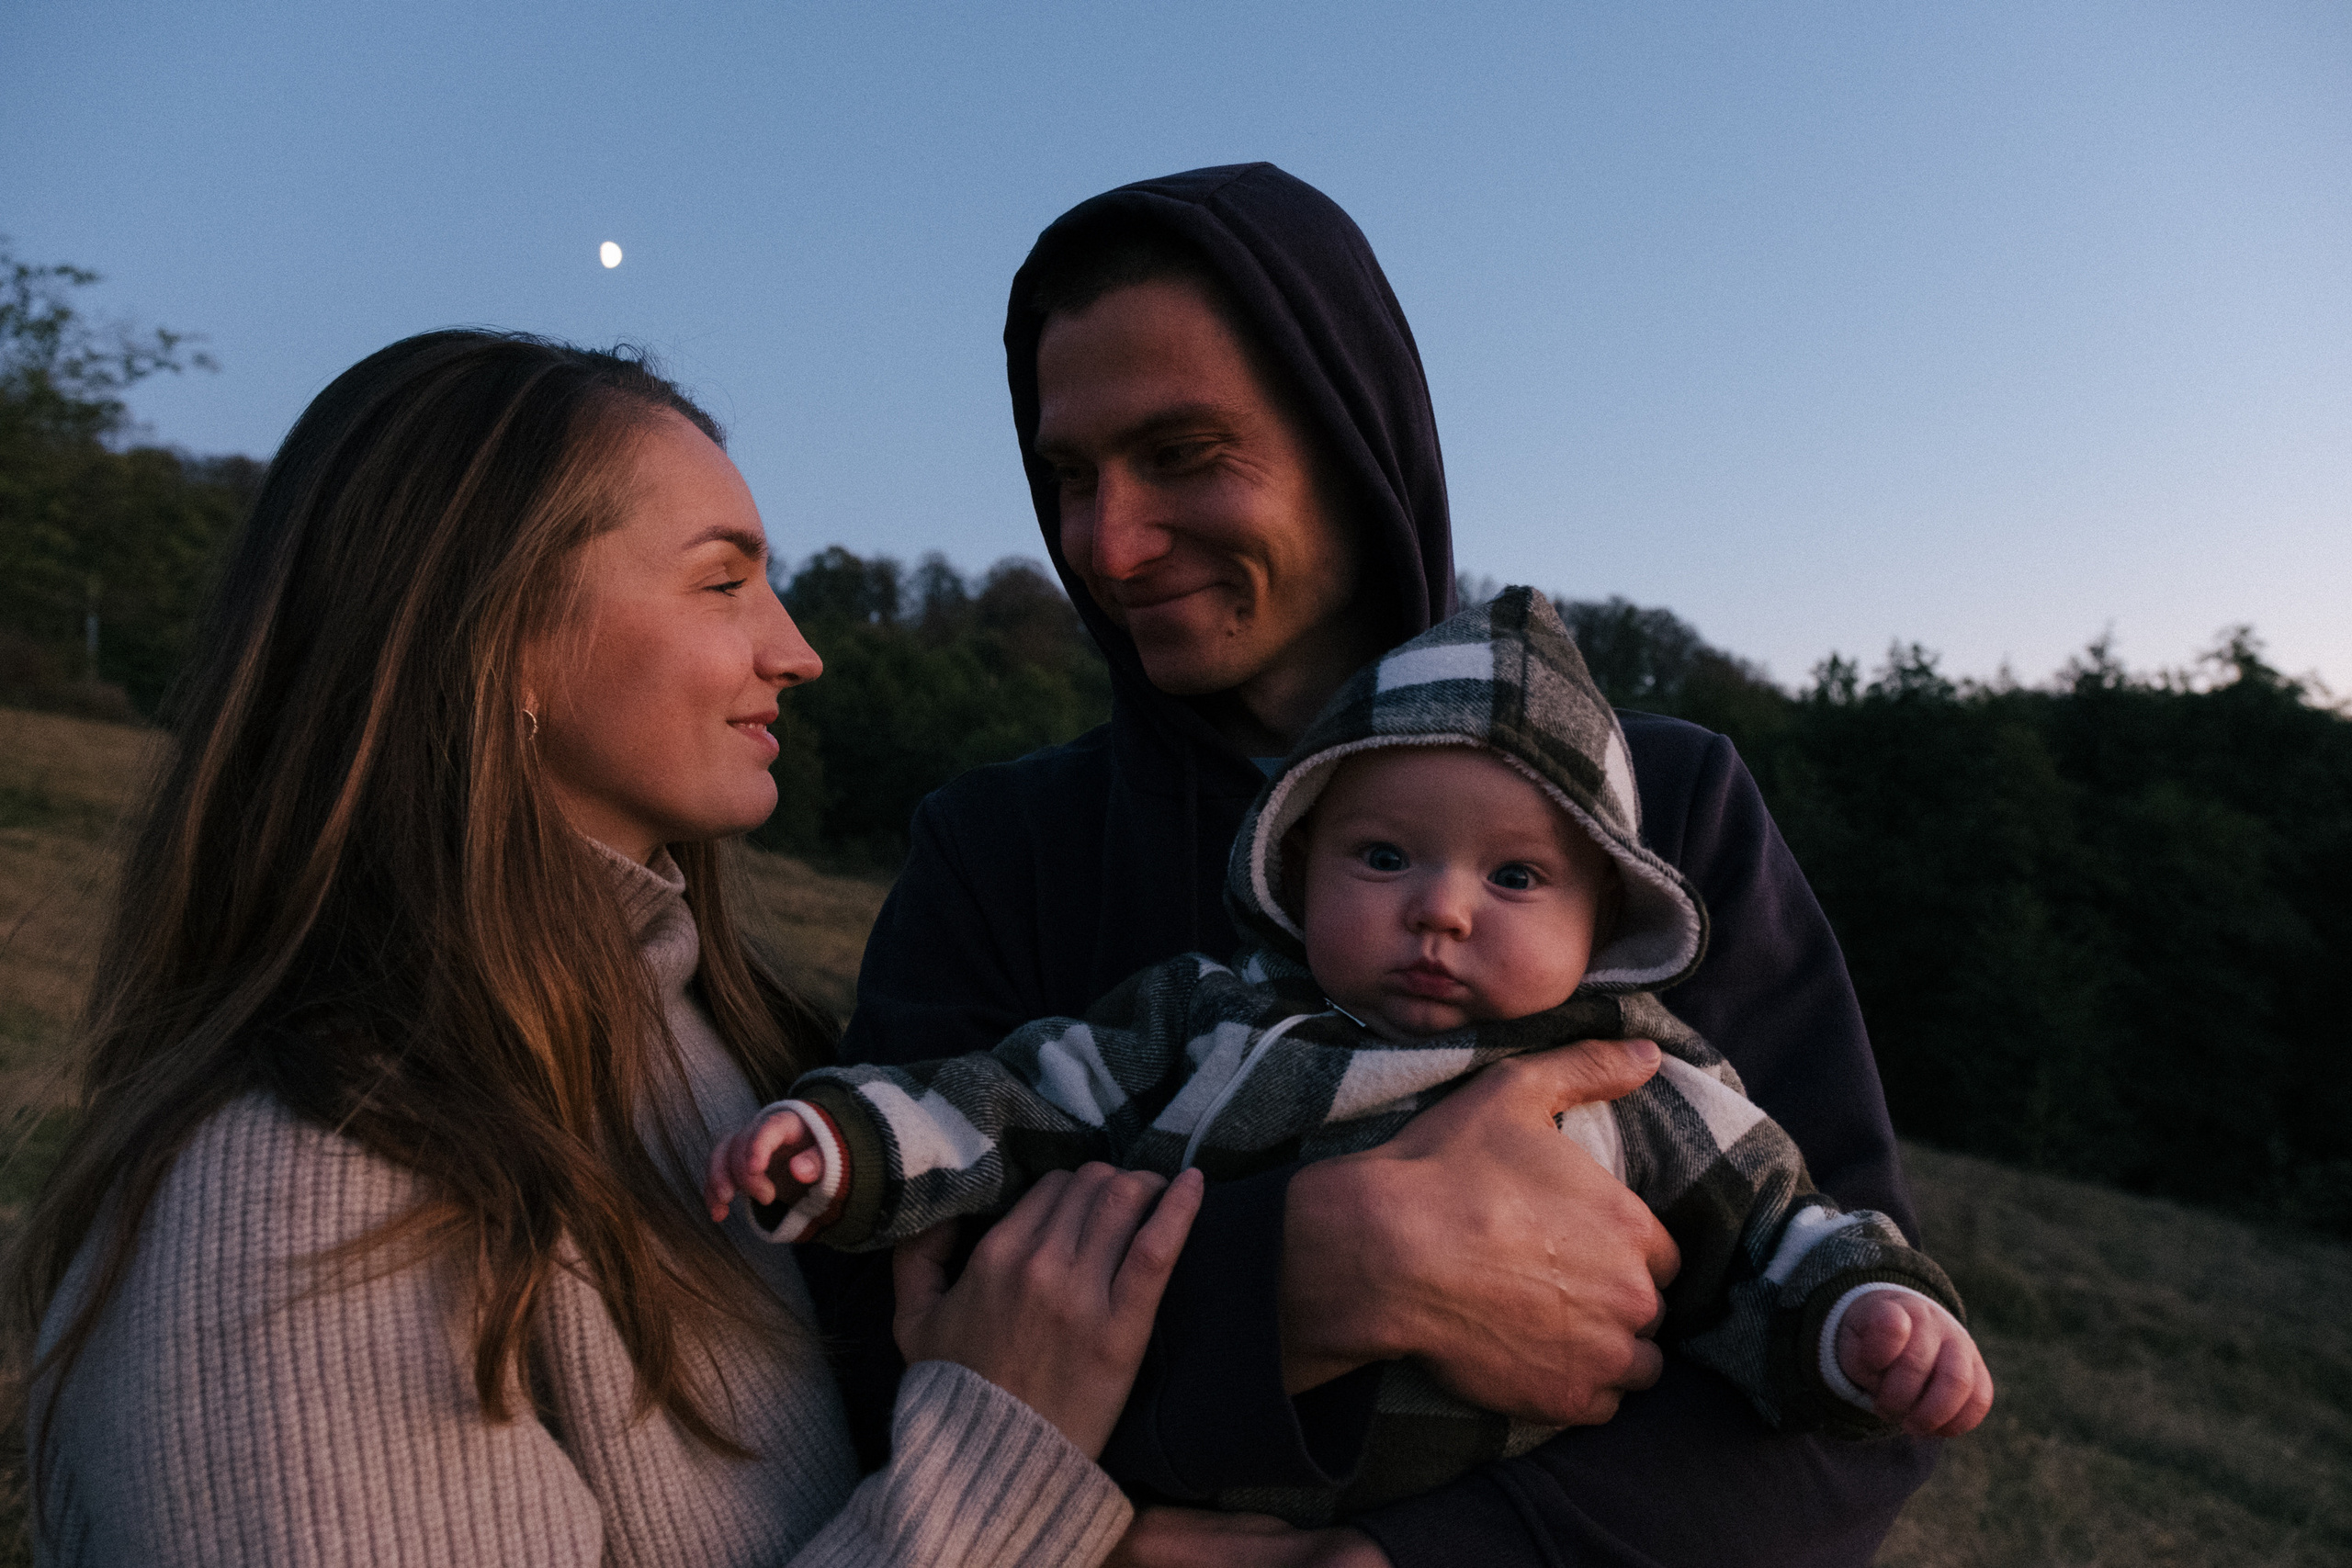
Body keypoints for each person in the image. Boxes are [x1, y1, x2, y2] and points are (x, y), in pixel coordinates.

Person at [808, 164, 1943, 1567]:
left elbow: (1858, 1371)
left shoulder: (1660, 816)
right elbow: (886, 1351)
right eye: (1067, 474)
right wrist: (1310, 1273)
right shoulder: (996, 850)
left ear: (1355, 441)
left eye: (1183, 453)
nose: (1105, 541)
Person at [7, 329, 1203, 1567]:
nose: (797, 651)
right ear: (501, 630)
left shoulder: (720, 1056)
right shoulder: (302, 1201)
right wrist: (1002, 1452)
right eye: (722, 581)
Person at [713, 588, 1990, 1528]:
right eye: (1383, 857)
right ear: (1297, 865)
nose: (1441, 908)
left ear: (1601, 924)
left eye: (1516, 876)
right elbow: (1008, 1103)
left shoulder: (1643, 1083)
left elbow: (1783, 1230)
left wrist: (1864, 1321)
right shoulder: (1206, 1019)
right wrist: (849, 1144)